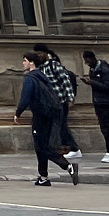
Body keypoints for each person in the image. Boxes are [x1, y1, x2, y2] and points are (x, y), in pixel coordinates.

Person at [15, 52, 74, 186]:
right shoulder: (43, 76)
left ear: (31, 63)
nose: (23, 63)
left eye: (25, 60)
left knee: (41, 147)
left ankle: (65, 166)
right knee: (43, 146)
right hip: (50, 114)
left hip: (40, 115)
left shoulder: (30, 78)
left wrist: (18, 113)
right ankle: (43, 177)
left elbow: (25, 98)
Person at [34, 45, 83, 163]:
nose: (39, 56)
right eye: (37, 54)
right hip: (50, 103)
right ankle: (59, 147)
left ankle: (74, 148)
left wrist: (70, 99)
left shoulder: (53, 65)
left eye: (41, 53)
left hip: (60, 101)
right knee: (57, 125)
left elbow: (65, 81)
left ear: (46, 53)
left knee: (60, 125)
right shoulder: (40, 68)